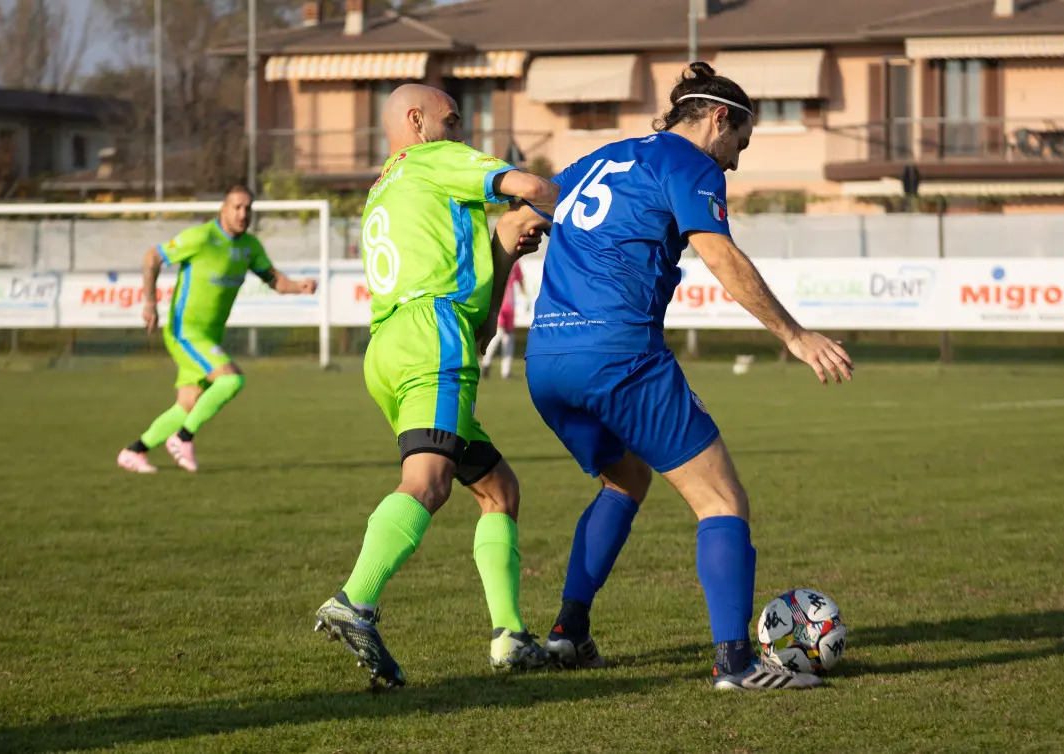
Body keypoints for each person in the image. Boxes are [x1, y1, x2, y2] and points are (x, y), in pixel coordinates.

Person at [524, 63, 855, 691]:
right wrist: (795, 335)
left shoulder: (605, 156)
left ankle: (569, 631)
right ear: (718, 119)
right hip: (617, 354)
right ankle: (736, 663)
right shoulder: (689, 162)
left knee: (625, 478)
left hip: (546, 359)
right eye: (740, 146)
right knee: (722, 501)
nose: (733, 164)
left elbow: (521, 219)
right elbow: (721, 254)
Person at [313, 84, 559, 688]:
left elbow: (478, 276)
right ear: (416, 122)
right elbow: (533, 188)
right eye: (452, 120)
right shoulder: (431, 158)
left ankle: (509, 637)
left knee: (498, 489)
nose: (461, 131)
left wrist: (505, 250)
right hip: (430, 335)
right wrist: (593, 221)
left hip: (392, 345)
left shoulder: (384, 188)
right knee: (429, 482)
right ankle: (355, 600)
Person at [116, 186, 317, 474]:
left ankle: (134, 452)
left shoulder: (249, 246)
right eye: (236, 207)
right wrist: (150, 302)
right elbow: (152, 258)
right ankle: (183, 438)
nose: (242, 213)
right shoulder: (202, 237)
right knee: (231, 380)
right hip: (184, 330)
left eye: (248, 208)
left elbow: (273, 279)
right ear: (223, 209)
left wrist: (299, 287)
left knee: (188, 405)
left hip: (209, 335)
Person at [480, 260, 527, 380]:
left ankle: (506, 372)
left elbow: (520, 279)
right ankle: (486, 363)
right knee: (498, 334)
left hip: (510, 306)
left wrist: (525, 296)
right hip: (498, 305)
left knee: (509, 338)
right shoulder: (495, 262)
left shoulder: (515, 264)